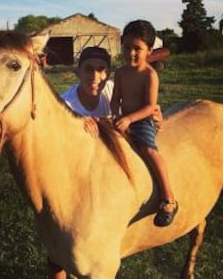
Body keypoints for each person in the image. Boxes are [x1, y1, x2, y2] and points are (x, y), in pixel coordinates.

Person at [49, 45, 163, 279]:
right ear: (77, 71)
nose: (95, 76)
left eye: (101, 70)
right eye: (88, 69)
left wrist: (154, 115)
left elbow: (135, 114)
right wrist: (79, 123)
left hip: (107, 172)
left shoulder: (112, 90)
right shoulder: (65, 104)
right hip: (74, 176)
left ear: (108, 74)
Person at [110, 19, 178, 227]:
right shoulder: (120, 73)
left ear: (149, 50)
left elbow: (150, 106)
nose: (131, 52)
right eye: (127, 47)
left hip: (141, 121)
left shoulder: (150, 75)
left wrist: (130, 119)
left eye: (137, 48)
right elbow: (115, 99)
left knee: (148, 151)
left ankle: (168, 198)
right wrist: (115, 116)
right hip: (122, 119)